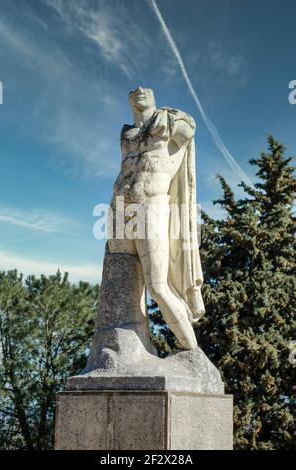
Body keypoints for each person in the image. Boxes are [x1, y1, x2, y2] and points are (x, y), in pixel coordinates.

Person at [108, 86, 205, 350]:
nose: (139, 90)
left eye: (145, 90)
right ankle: (126, 349)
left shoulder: (170, 120)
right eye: (133, 91)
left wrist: (170, 117)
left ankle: (191, 350)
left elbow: (189, 133)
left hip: (152, 202)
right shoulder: (126, 132)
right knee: (119, 278)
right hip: (120, 204)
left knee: (158, 285)